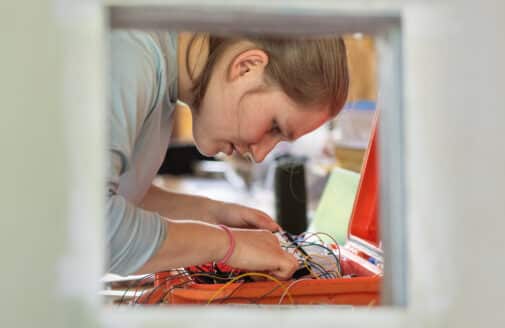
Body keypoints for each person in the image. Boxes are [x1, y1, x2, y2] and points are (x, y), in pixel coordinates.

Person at [108, 30, 349, 279]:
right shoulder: (130, 54)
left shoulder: (159, 74)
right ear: (246, 68)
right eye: (274, 126)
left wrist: (212, 214)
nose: (260, 155)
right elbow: (91, 228)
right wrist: (227, 245)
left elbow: (119, 194)